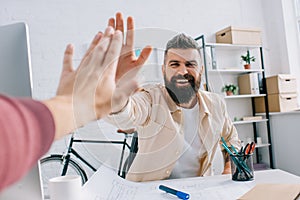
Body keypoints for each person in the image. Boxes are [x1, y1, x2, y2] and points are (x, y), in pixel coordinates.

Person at [0, 21, 152, 192]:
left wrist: (71, 105)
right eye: (174, 64)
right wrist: (73, 105)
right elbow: (133, 113)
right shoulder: (155, 96)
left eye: (189, 64)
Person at [106, 13, 242, 182]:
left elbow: (232, 141)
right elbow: (129, 114)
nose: (183, 72)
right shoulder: (150, 97)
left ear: (200, 70)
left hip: (198, 191)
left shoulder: (216, 104)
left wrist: (228, 168)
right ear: (164, 70)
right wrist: (118, 98)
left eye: (190, 64)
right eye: (175, 64)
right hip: (148, 191)